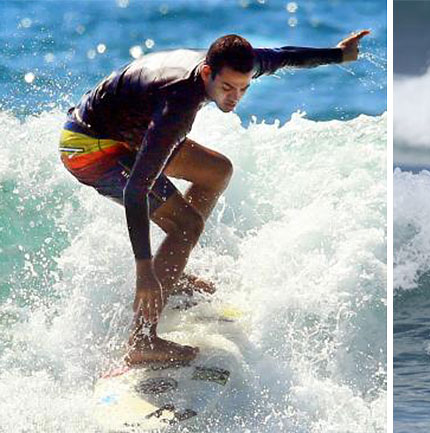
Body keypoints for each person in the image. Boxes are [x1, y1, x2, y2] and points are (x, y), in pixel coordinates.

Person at [59, 30, 370, 365]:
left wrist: (340, 54)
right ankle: (142, 340)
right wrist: (144, 270)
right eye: (227, 88)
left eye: (243, 88)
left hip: (127, 131)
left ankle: (170, 276)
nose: (235, 97)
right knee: (187, 226)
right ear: (207, 73)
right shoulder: (179, 104)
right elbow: (136, 190)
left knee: (216, 172)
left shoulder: (235, 67)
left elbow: (285, 56)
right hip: (89, 147)